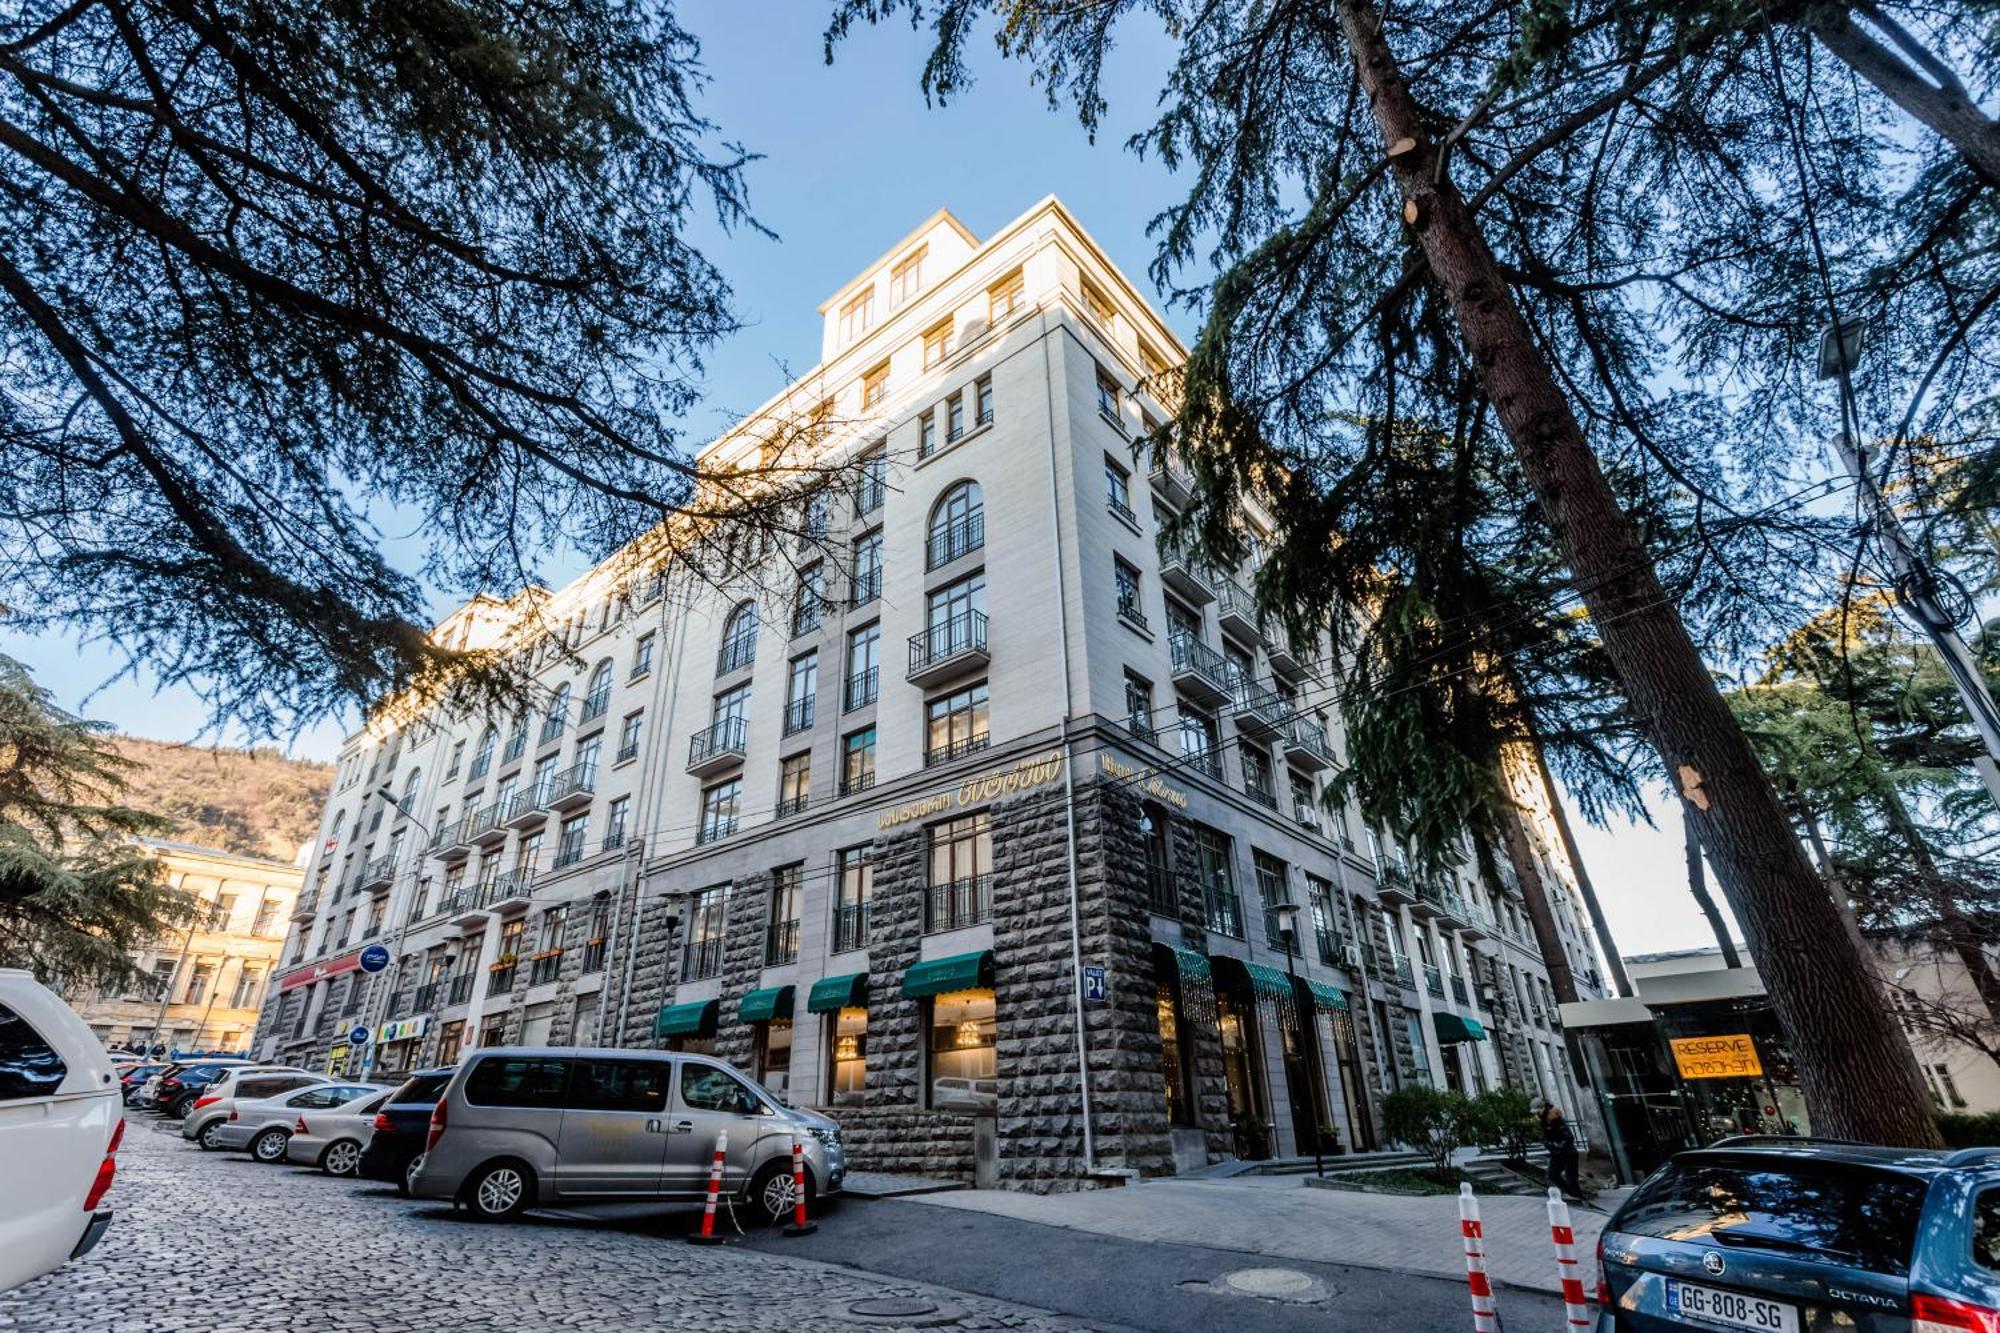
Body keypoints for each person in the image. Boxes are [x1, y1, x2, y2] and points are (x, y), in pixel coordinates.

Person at [1536, 1097, 1583, 1201]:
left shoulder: (1556, 1118)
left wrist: (1557, 1146)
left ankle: (1577, 1197)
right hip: (1557, 1153)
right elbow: (1546, 1137)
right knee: (1552, 1174)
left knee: (1571, 1178)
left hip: (1567, 1152)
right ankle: (1571, 1193)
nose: (1536, 1114)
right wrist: (1547, 1143)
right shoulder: (1543, 1121)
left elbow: (1569, 1137)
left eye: (1538, 1111)